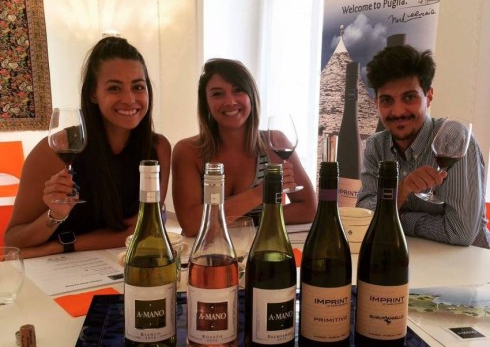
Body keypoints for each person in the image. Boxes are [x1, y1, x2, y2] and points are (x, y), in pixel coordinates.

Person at [5, 36, 171, 258]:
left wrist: (58, 246)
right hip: (57, 268)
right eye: (114, 88)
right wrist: (54, 215)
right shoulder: (57, 148)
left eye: (138, 87)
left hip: (121, 263)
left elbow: (141, 229)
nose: (129, 99)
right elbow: (14, 239)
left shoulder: (158, 148)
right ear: (93, 94)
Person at [357, 44, 490, 249]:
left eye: (409, 97)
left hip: (471, 264)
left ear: (428, 97)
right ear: (376, 103)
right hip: (410, 258)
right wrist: (401, 191)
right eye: (387, 100)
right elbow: (364, 217)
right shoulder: (376, 146)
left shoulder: (453, 139)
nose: (398, 111)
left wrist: (398, 217)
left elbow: (460, 233)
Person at [171, 58, 316, 237]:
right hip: (208, 251)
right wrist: (261, 193)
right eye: (217, 94)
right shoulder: (188, 151)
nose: (230, 101)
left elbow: (309, 208)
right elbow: (192, 225)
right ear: (206, 103)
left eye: (238, 90)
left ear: (251, 96)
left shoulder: (275, 142)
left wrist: (247, 223)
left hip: (259, 247)